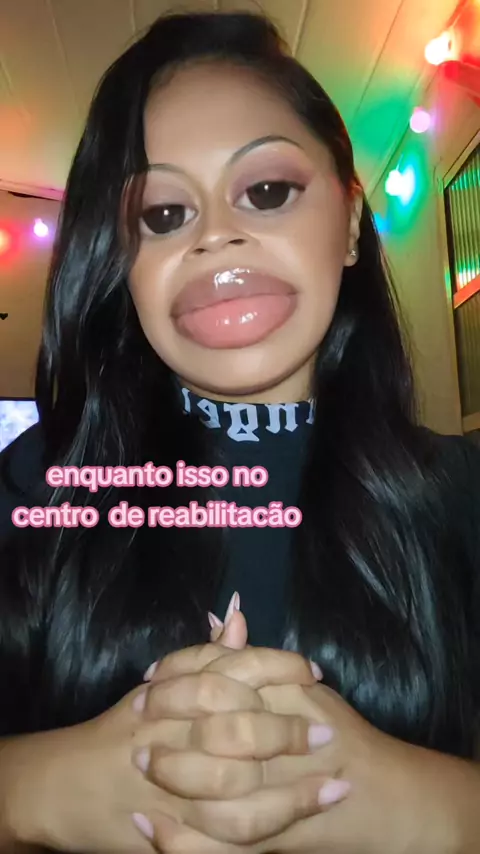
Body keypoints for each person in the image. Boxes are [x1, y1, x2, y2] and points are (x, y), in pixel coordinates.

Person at [0, 8, 479, 854]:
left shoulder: (465, 495)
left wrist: (436, 807)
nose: (217, 235)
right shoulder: (31, 486)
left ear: (351, 223)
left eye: (266, 192)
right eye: (162, 214)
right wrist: (33, 789)